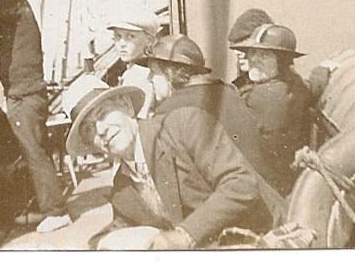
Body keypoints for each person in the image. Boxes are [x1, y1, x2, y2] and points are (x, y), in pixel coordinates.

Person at [65, 82, 283, 249]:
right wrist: (100, 244)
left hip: (268, 239)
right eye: (89, 130)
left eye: (103, 114)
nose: (100, 130)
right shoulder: (122, 188)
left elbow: (241, 183)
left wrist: (184, 235)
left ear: (126, 106)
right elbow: (123, 227)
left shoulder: (183, 126)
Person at [0, 0, 71, 233]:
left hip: (27, 97)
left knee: (34, 152)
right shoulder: (3, 21)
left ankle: (57, 212)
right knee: (30, 151)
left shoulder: (16, 5)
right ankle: (40, 207)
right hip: (17, 97)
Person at [142, 35, 276, 185]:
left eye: (153, 72)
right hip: (262, 189)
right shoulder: (228, 91)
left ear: (170, 72)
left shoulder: (170, 110)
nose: (149, 78)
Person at [229, 23, 314, 194]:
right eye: (252, 53)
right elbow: (313, 86)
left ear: (281, 61)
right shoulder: (293, 85)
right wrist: (324, 69)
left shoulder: (266, 96)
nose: (254, 59)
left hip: (263, 189)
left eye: (264, 55)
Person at [103, 17, 159, 117]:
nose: (122, 44)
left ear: (149, 41)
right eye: (118, 36)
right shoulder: (138, 70)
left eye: (131, 36)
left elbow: (139, 118)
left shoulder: (140, 74)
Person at [227, 8, 273, 96]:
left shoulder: (283, 90)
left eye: (245, 47)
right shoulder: (241, 84)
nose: (237, 52)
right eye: (236, 46)